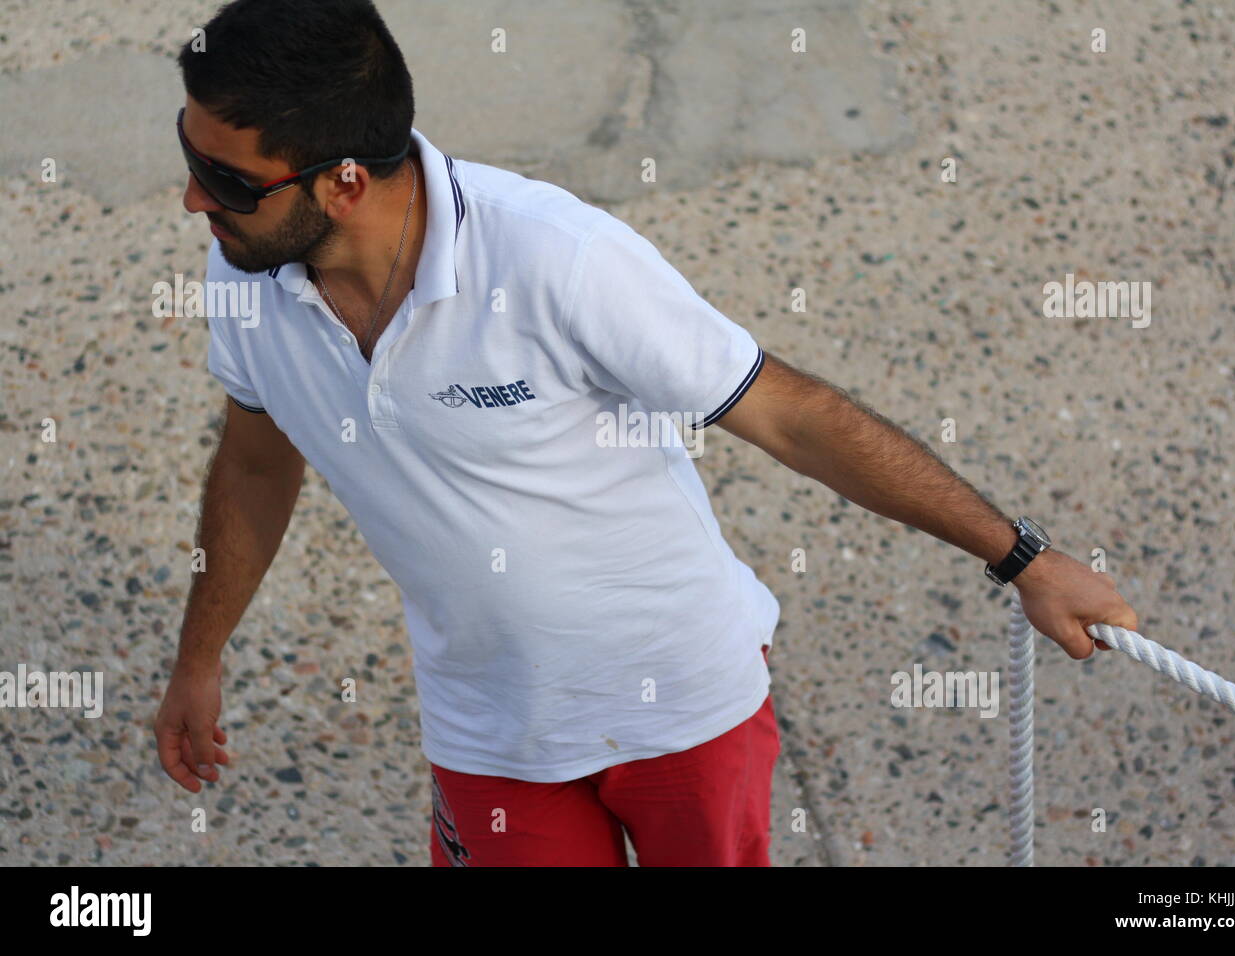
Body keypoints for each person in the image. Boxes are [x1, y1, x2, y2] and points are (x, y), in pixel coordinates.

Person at [154, 0, 1139, 867]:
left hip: (684, 709)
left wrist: (1022, 556)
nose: (196, 198)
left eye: (228, 180)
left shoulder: (557, 259)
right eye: (191, 158)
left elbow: (792, 416)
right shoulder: (243, 274)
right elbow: (253, 458)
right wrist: (200, 657)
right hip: (488, 730)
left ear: (348, 183)